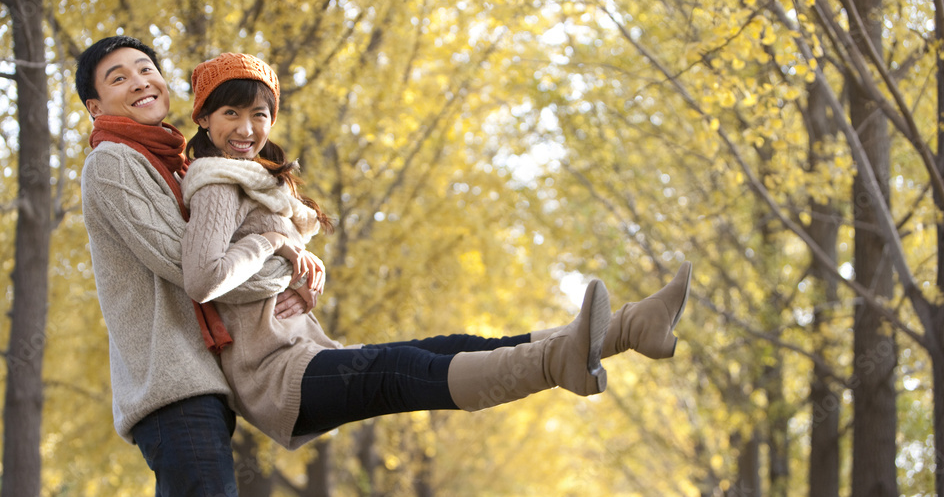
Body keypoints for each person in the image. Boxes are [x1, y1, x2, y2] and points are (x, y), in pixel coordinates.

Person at [180, 52, 694, 450]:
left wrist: (294, 270)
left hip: (304, 354)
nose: (247, 129)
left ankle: (628, 328)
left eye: (260, 113)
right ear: (204, 118)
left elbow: (257, 272)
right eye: (231, 113)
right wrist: (275, 243)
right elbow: (203, 276)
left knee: (452, 344)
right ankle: (563, 363)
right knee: (405, 371)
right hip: (272, 374)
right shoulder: (218, 182)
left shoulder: (256, 183)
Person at [76, 36, 298, 497]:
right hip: (174, 391)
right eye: (119, 78)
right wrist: (284, 260)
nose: (140, 81)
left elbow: (235, 242)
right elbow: (195, 268)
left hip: (197, 387)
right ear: (95, 107)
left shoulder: (177, 164)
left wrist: (299, 258)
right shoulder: (113, 161)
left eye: (145, 68)